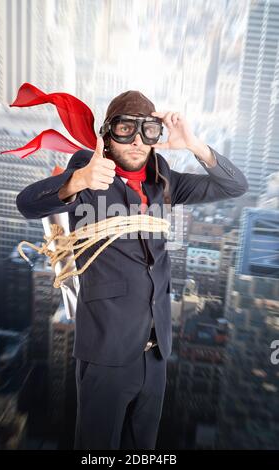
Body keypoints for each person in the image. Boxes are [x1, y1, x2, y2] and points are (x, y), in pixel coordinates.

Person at [16, 90, 248, 450]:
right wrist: (78, 181)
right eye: (126, 129)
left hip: (155, 354)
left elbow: (234, 185)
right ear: (107, 135)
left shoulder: (163, 180)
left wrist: (192, 143)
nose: (138, 141)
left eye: (148, 131)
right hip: (106, 351)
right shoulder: (89, 172)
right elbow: (26, 204)